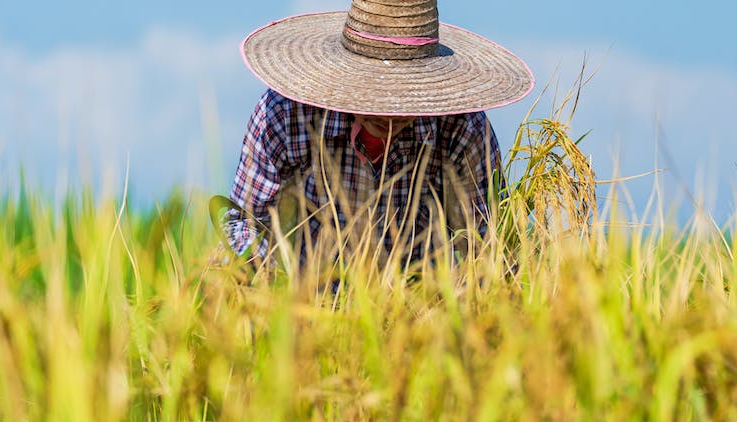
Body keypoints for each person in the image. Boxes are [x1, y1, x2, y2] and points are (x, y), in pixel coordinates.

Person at [220, 0, 534, 271]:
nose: (387, 113)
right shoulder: (288, 114)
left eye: (404, 97)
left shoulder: (461, 128)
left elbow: (486, 241)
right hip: (305, 308)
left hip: (419, 317)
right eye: (373, 92)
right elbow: (244, 223)